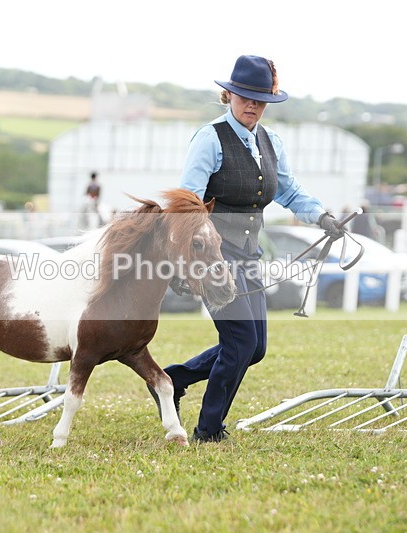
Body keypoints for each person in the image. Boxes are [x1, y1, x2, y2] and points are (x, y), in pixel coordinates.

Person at [150, 54, 345, 443]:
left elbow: (288, 190)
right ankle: (209, 430)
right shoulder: (210, 138)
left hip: (250, 255)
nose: (252, 105)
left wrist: (322, 216)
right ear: (229, 95)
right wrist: (184, 264)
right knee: (240, 342)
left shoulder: (270, 141)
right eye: (245, 97)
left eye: (260, 99)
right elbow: (187, 201)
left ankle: (175, 378)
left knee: (254, 349)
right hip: (213, 258)